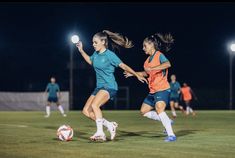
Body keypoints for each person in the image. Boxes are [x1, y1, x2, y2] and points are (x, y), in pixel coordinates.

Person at [76, 30, 147, 141]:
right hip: (99, 87)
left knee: (95, 106)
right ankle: (109, 125)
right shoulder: (96, 54)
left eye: (95, 42)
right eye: (92, 42)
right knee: (86, 111)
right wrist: (81, 50)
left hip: (109, 86)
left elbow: (123, 65)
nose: (93, 44)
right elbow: (90, 61)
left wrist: (136, 74)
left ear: (103, 42)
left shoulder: (110, 55)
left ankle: (100, 133)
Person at [124, 33, 176, 142]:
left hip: (162, 89)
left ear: (151, 45)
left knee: (159, 109)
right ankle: (167, 120)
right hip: (152, 91)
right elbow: (146, 73)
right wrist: (133, 74)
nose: (143, 48)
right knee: (143, 111)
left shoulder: (159, 55)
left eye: (145, 46)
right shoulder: (146, 62)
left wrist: (153, 68)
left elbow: (168, 64)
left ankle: (171, 135)